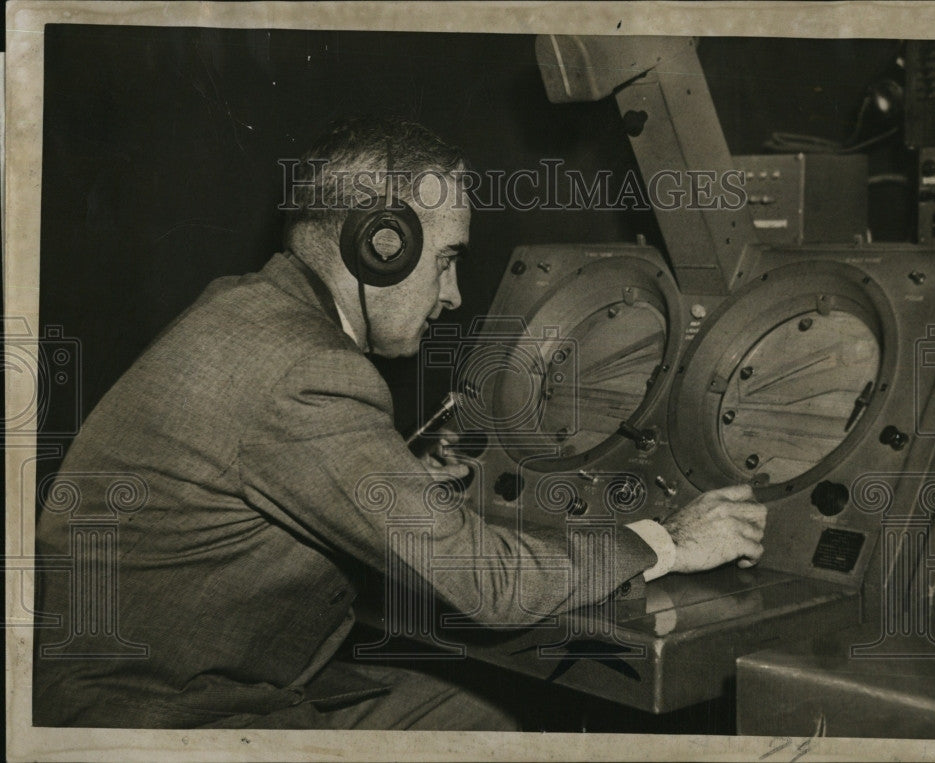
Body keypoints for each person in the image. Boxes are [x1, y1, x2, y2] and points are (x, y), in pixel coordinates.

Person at [33, 116, 766, 730]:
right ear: (380, 246)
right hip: (158, 718)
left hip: (131, 681)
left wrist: (395, 477)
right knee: (487, 730)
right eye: (446, 260)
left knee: (473, 719)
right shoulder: (310, 372)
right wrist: (668, 539)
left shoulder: (248, 307)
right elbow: (490, 584)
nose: (452, 295)